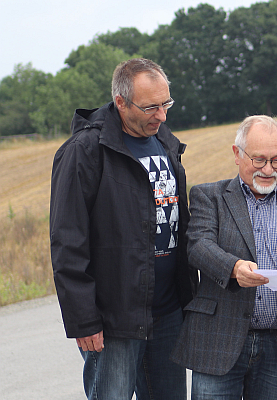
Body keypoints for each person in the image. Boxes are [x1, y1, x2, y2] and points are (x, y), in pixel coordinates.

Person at [50, 58, 197, 399]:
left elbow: (180, 219)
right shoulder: (84, 151)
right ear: (120, 103)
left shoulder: (165, 142)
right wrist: (84, 320)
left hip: (167, 312)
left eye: (166, 104)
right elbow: (67, 242)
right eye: (150, 107)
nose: (161, 116)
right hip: (114, 319)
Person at [170, 115, 277, 400]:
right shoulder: (210, 197)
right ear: (237, 154)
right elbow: (198, 245)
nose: (268, 169)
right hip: (218, 341)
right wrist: (232, 268)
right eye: (259, 160)